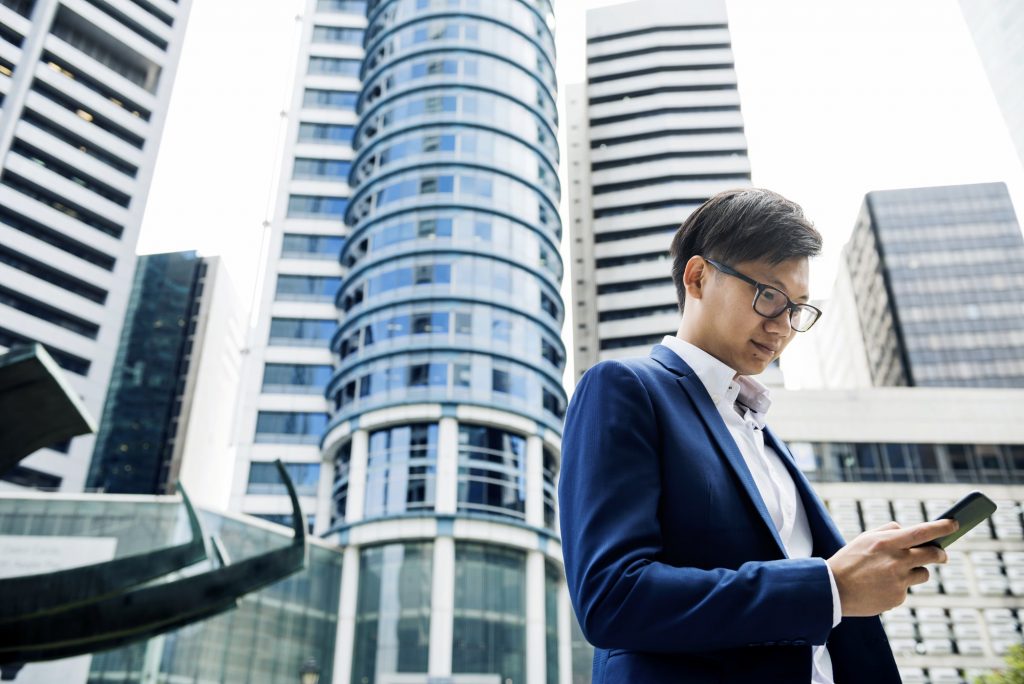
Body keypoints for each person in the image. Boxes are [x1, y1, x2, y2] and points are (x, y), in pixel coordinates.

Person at [558, 188, 957, 684]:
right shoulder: (625, 388)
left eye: (798, 309)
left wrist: (856, 571)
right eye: (769, 296)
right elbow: (612, 597)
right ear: (698, 277)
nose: (783, 327)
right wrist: (827, 586)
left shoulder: (762, 431)